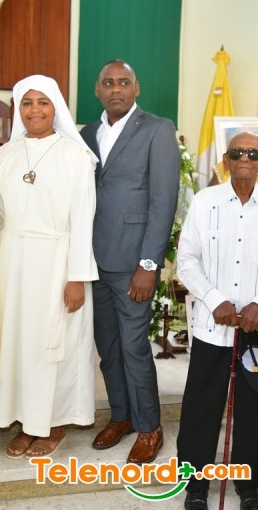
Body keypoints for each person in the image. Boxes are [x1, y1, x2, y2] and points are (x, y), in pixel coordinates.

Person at [176, 132, 258, 510]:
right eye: (237, 152)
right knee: (201, 406)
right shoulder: (205, 202)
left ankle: (246, 481)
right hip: (213, 328)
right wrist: (214, 299)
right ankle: (195, 484)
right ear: (226, 160)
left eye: (253, 153)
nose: (245, 158)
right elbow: (187, 260)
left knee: (252, 410)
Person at [0, 74, 98, 458]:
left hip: (57, 263)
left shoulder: (75, 156)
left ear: (56, 108)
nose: (35, 110)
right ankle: (25, 421)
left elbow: (83, 220)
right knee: (17, 344)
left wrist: (77, 277)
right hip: (13, 262)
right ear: (18, 109)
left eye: (43, 102)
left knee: (53, 346)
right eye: (27, 103)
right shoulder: (7, 153)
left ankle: (53, 424)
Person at [79, 59, 180, 464]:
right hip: (93, 261)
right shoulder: (86, 134)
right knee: (107, 346)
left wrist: (149, 265)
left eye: (123, 82)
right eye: (108, 82)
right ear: (97, 90)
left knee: (134, 346)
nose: (116, 88)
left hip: (133, 262)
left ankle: (150, 426)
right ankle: (121, 415)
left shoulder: (157, 129)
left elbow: (163, 201)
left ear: (136, 88)